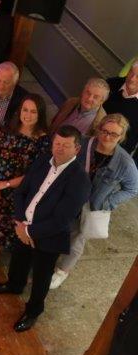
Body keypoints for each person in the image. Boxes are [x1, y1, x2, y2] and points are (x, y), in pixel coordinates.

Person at [0, 126, 90, 333]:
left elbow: (62, 220)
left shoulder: (80, 180)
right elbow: (21, 191)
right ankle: (14, 285)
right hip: (23, 225)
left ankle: (33, 311)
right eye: (57, 143)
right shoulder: (43, 160)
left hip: (48, 236)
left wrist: (29, 232)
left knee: (41, 278)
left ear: (77, 149)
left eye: (66, 145)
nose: (59, 148)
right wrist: (20, 222)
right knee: (19, 259)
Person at [51, 114, 138, 289]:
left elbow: (132, 189)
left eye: (114, 134)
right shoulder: (83, 144)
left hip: (90, 206)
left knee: (77, 238)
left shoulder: (125, 163)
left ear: (121, 137)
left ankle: (62, 271)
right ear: (99, 129)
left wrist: (108, 203)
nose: (107, 137)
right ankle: (48, 256)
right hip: (68, 197)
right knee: (57, 227)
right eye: (105, 131)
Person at [0, 94, 51, 270]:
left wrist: (4, 185)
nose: (27, 115)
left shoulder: (44, 141)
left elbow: (33, 174)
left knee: (4, 225)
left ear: (40, 114)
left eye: (33, 112)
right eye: (25, 110)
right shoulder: (8, 129)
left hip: (17, 190)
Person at [103, 61, 138, 159]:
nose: (132, 79)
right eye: (131, 72)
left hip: (117, 155)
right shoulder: (111, 84)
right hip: (92, 139)